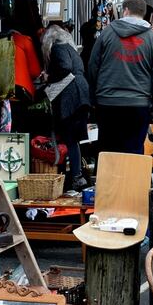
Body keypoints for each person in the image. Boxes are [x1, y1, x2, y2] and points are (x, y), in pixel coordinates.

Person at [86, 0, 153, 154]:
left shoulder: (107, 33)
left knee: (107, 152)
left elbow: (92, 67)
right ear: (143, 13)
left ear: (125, 11)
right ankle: (133, 179)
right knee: (134, 152)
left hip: (107, 103)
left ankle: (107, 179)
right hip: (138, 105)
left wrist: (93, 99)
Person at [40, 24, 91, 191]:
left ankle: (76, 177)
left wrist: (48, 76)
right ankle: (78, 175)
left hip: (71, 96)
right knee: (74, 139)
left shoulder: (58, 48)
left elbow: (64, 67)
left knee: (69, 137)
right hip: (81, 93)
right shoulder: (71, 48)